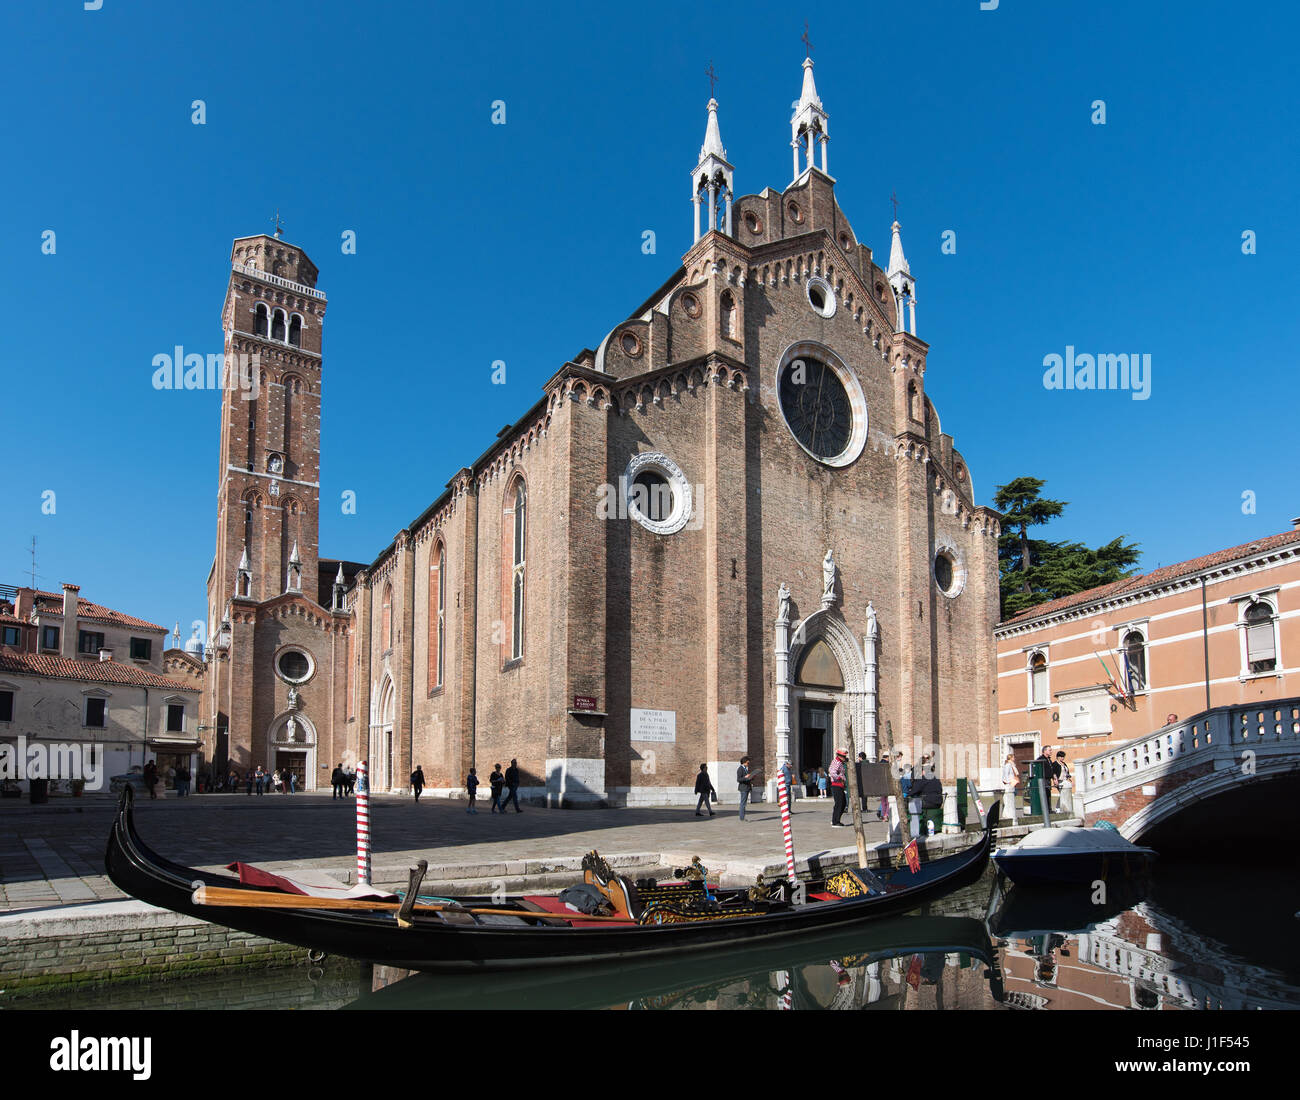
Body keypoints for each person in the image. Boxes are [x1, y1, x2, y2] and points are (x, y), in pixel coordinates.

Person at [828, 749, 849, 826]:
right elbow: (832, 772)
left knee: (843, 803)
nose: (844, 757)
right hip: (836, 785)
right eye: (843, 756)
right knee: (839, 803)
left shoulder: (840, 762)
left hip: (840, 785)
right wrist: (839, 778)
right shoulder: (836, 762)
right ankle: (835, 821)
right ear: (839, 756)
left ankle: (836, 819)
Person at [735, 756, 755, 821]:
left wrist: (751, 777)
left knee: (744, 803)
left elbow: (746, 778)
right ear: (744, 762)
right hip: (743, 788)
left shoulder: (745, 769)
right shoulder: (740, 769)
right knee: (743, 803)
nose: (748, 764)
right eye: (747, 763)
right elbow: (739, 779)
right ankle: (742, 818)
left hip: (747, 787)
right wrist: (746, 777)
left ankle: (742, 817)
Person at [1002, 753, 1020, 824]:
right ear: (1011, 758)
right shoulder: (1008, 765)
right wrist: (1009, 782)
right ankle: (1009, 815)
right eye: (1013, 757)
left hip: (1012, 784)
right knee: (1009, 800)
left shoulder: (1012, 765)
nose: (1014, 758)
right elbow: (1006, 775)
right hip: (1009, 785)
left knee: (1011, 800)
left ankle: (1010, 814)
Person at [1055, 750, 1073, 815]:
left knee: (1064, 794)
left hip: (1065, 781)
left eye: (1063, 757)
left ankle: (1063, 807)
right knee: (1062, 793)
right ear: (1058, 757)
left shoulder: (1064, 763)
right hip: (1059, 781)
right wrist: (1055, 780)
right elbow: (1054, 773)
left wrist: (1069, 778)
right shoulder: (1055, 763)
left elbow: (1067, 771)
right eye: (1061, 757)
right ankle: (1058, 808)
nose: (1063, 758)